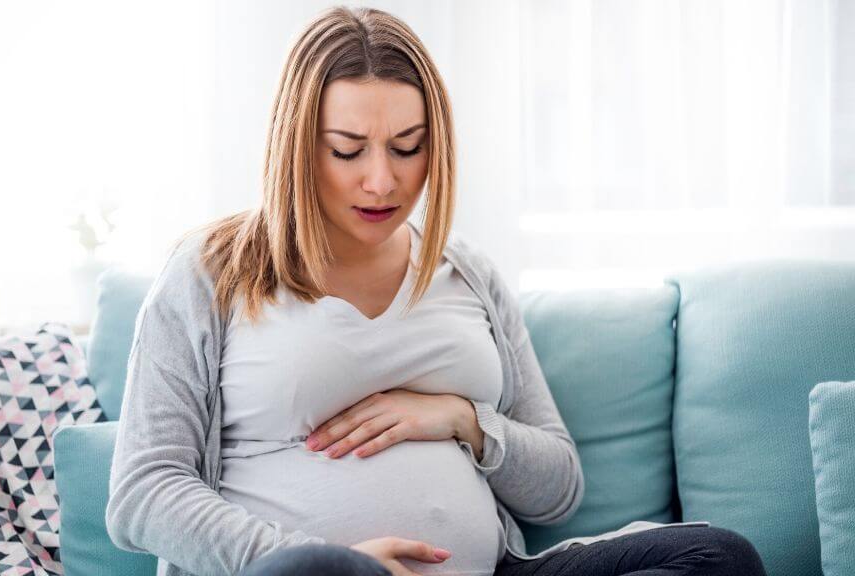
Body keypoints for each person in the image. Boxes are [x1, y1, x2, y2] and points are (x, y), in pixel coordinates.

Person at [106, 5, 769, 576]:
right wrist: (334, 561)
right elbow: (142, 492)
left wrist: (463, 419)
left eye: (408, 146)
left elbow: (559, 490)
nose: (381, 181)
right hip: (310, 571)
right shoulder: (211, 271)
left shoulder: (468, 273)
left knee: (720, 557)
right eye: (347, 150)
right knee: (318, 571)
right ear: (298, 145)